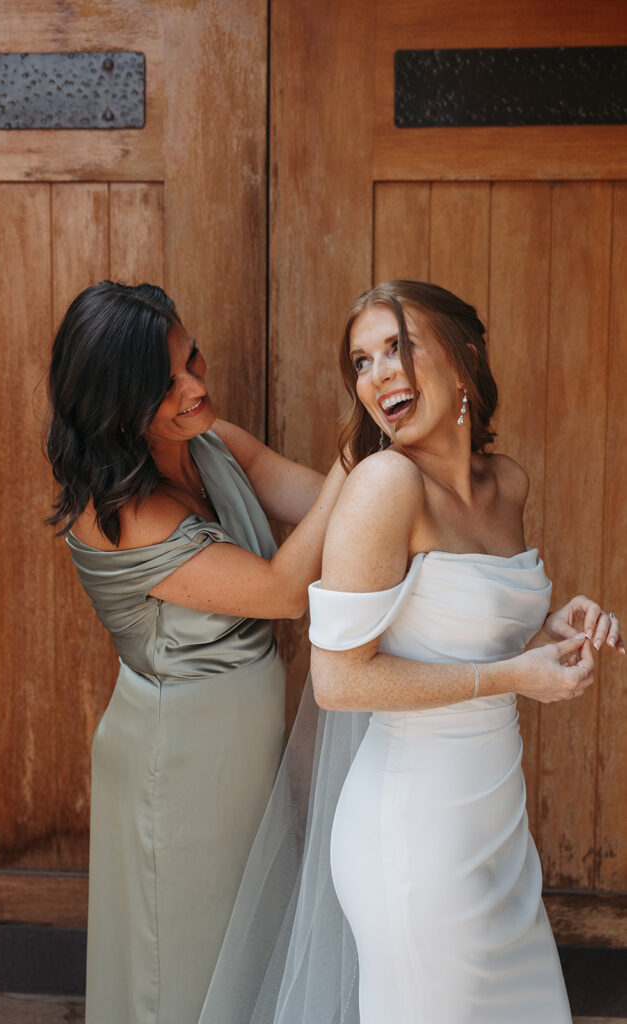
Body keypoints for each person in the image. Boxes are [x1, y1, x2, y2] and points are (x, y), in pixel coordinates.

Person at [195, 279, 623, 1024]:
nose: (378, 374)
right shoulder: (385, 484)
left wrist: (550, 626)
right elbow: (337, 681)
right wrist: (512, 675)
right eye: (360, 362)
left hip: (495, 825)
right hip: (413, 837)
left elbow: (452, 626)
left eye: (397, 347)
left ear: (463, 361)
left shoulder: (505, 482)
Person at [45, 280, 346, 1024]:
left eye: (193, 359)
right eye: (166, 383)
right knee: (177, 963)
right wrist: (362, 446)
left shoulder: (210, 444)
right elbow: (283, 588)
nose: (194, 387)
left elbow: (321, 509)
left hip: (240, 752)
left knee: (240, 948)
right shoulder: (127, 515)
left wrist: (374, 475)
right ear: (116, 402)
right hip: (174, 764)